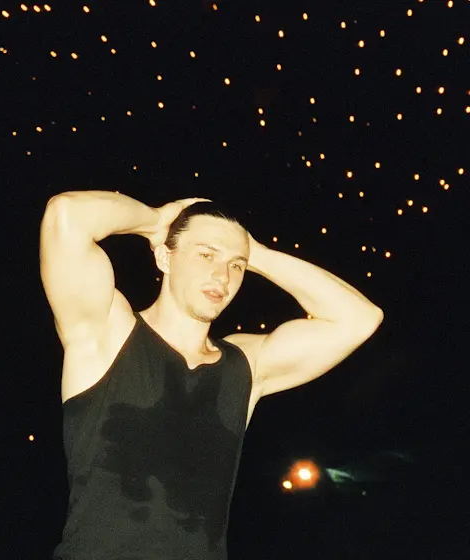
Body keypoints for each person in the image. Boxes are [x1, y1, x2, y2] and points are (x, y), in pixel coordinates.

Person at [40, 190, 384, 559]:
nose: (222, 275)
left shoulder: (245, 366)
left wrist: (256, 253)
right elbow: (66, 215)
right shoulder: (106, 331)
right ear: (164, 257)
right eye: (206, 255)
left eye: (236, 265)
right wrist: (156, 221)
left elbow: (360, 319)